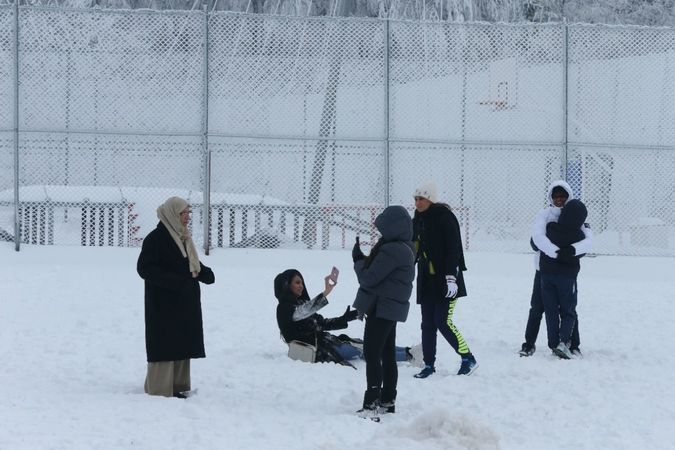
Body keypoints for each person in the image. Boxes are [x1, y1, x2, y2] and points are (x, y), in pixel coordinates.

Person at [137, 196, 215, 398]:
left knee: (181, 343)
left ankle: (177, 385)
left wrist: (204, 273)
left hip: (183, 302)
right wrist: (175, 282)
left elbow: (189, 264)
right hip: (164, 303)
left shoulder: (182, 237)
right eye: (183, 213)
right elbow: (145, 268)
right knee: (165, 344)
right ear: (172, 214)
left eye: (188, 212)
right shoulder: (156, 238)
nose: (187, 217)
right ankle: (160, 388)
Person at [352, 205, 415, 416]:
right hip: (390, 308)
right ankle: (388, 399)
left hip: (382, 307)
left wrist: (358, 261)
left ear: (393, 228)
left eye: (383, 228)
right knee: (387, 354)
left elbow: (369, 278)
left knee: (372, 353)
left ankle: (371, 403)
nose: (380, 233)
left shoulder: (392, 249)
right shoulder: (405, 247)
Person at [519, 181, 593, 358]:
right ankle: (529, 344)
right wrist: (555, 252)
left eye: (563, 196)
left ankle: (573, 344)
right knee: (537, 308)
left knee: (569, 309)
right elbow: (537, 237)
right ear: (551, 198)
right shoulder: (544, 215)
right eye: (556, 196)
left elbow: (588, 240)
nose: (559, 199)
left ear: (569, 196)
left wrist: (571, 252)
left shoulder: (575, 214)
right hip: (544, 270)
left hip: (566, 272)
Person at [412, 181, 478, 378]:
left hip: (446, 279)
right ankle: (429, 364)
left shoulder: (445, 217)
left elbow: (453, 249)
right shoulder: (417, 218)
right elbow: (414, 246)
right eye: (415, 199)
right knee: (427, 323)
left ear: (430, 198)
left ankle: (468, 357)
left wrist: (451, 277)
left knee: (443, 321)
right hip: (426, 279)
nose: (418, 202)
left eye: (421, 198)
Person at [536, 198, 589, 359]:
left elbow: (537, 241)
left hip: (546, 275)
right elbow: (582, 250)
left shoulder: (551, 228)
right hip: (567, 278)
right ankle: (563, 342)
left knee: (551, 310)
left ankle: (553, 343)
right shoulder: (579, 236)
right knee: (568, 311)